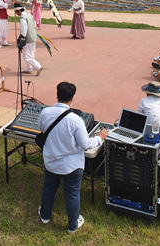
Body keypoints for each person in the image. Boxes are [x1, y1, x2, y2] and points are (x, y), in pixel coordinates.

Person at [38, 82, 109, 233]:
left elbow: (42, 129)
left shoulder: (45, 113)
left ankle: (44, 216)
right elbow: (85, 144)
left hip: (51, 162)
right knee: (72, 194)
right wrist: (99, 138)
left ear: (56, 95)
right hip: (72, 166)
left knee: (49, 188)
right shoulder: (76, 120)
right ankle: (72, 225)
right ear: (72, 99)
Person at [14, 3, 42, 76]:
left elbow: (24, 29)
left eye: (16, 12)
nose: (16, 14)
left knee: (27, 56)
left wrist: (21, 39)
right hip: (33, 37)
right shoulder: (30, 15)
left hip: (27, 39)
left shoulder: (23, 18)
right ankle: (29, 68)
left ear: (19, 11)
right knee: (31, 54)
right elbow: (35, 25)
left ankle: (38, 67)